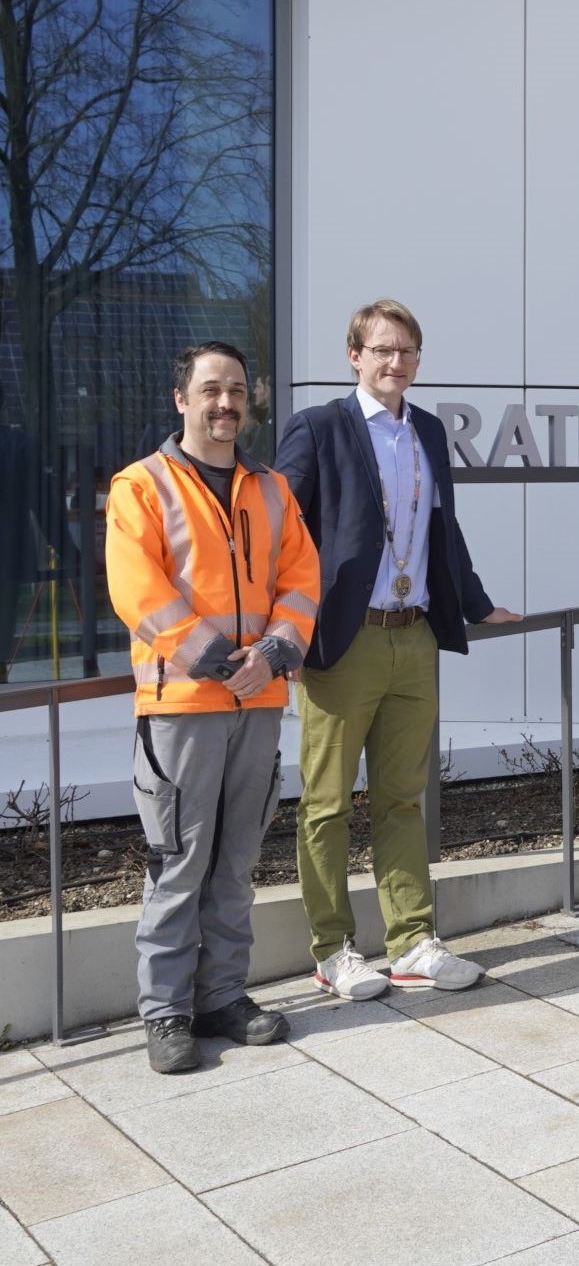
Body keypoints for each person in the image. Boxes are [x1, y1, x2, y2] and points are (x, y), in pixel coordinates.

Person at [275, 300, 521, 1002]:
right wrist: (285, 630)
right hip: (342, 641)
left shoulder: (428, 431)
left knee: (403, 799)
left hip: (415, 635)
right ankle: (331, 951)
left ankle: (412, 942)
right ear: (354, 355)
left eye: (407, 350)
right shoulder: (319, 427)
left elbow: (445, 528)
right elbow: (278, 530)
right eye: (382, 349)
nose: (396, 362)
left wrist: (476, 604)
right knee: (326, 805)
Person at [105, 341, 320, 1074]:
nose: (225, 403)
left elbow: (302, 580)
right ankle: (166, 1012)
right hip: (182, 704)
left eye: (236, 391)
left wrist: (274, 654)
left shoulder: (273, 490)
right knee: (178, 861)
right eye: (210, 390)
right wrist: (220, 659)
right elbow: (136, 587)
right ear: (182, 400)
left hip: (258, 700)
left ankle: (223, 997)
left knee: (236, 861)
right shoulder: (141, 485)